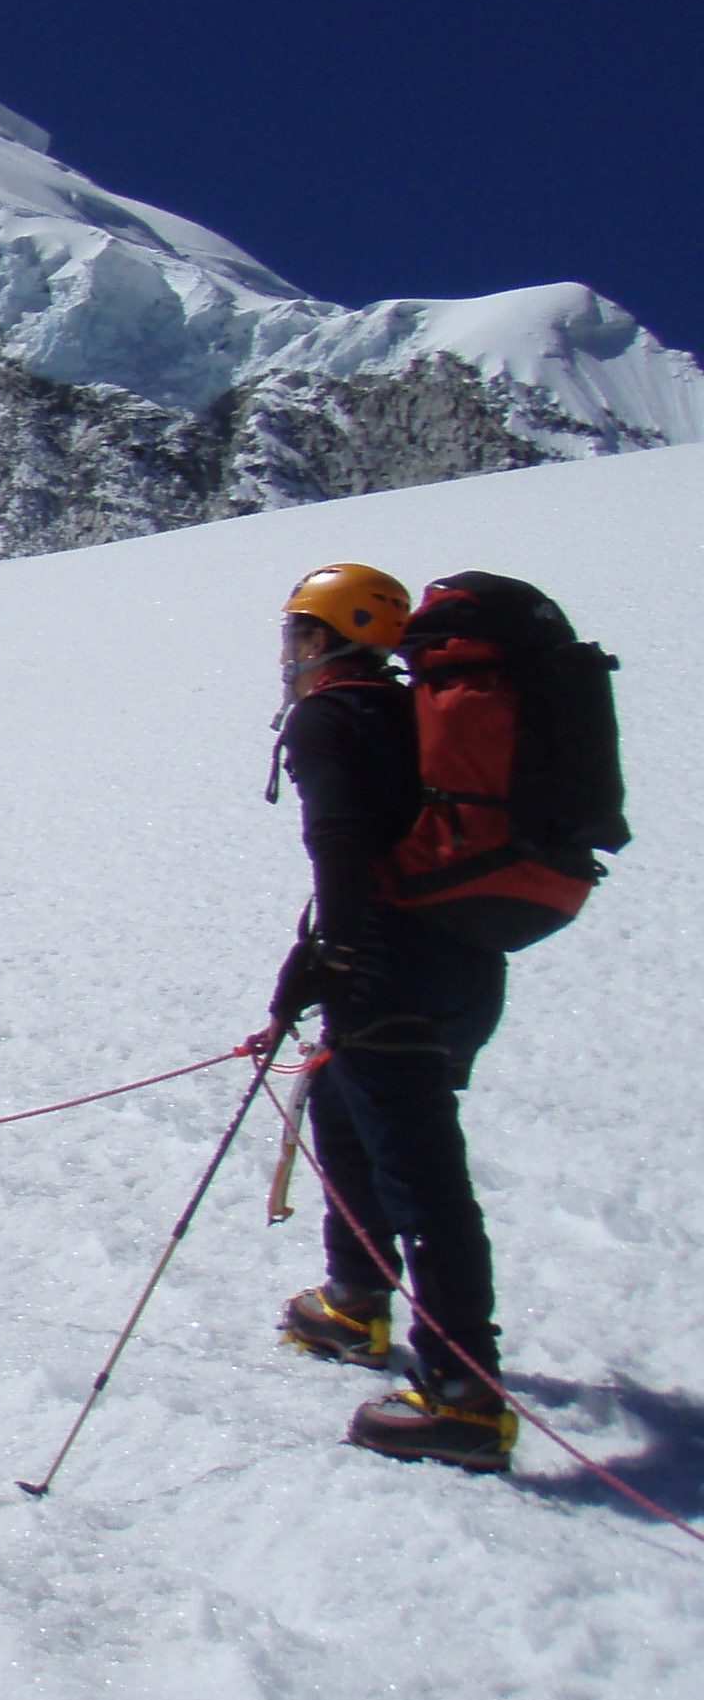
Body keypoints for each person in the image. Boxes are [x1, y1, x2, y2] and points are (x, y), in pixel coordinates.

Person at [269, 563, 518, 1472]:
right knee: (345, 1112)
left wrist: (332, 952)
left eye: (300, 635)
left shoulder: (331, 716)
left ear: (330, 640)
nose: (290, 655)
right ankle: (356, 1299)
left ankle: (464, 1396)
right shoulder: (417, 709)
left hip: (387, 968)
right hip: (463, 962)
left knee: (420, 1172)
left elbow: (338, 840)